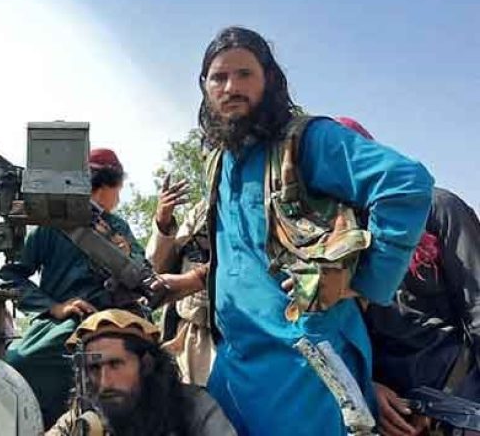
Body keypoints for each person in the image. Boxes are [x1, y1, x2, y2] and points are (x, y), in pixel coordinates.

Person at [160, 26, 434, 435]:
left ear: (269, 80)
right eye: (218, 77)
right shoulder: (219, 162)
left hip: (304, 365)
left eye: (244, 75)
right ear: (204, 87)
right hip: (234, 366)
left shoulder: (307, 140)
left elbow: (406, 184)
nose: (231, 87)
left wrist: (361, 283)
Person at [334, 117, 479, 436]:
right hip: (394, 415)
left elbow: (478, 307)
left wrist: (456, 404)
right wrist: (367, 386)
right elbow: (336, 336)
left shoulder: (436, 208)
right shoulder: (330, 242)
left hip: (462, 399)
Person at [1, 148, 145, 428]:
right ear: (110, 185)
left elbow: (143, 273)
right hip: (65, 325)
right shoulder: (52, 226)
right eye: (119, 188)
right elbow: (10, 276)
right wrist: (55, 307)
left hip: (115, 321)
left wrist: (126, 255)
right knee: (19, 363)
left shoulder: (118, 228)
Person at [46, 309, 236, 436]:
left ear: (146, 364)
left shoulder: (193, 407)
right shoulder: (79, 420)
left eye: (115, 364)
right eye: (94, 368)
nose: (105, 383)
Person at [146, 197, 214, 386]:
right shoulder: (201, 209)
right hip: (193, 335)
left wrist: (191, 280)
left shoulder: (262, 203)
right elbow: (159, 267)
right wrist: (163, 221)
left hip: (239, 332)